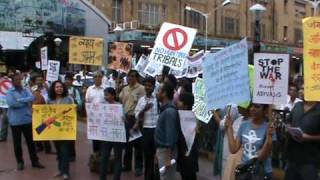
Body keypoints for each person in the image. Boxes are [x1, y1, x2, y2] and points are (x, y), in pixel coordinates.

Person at [6, 73, 45, 170]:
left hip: (27, 120)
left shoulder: (26, 89)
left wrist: (19, 100)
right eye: (16, 80)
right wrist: (25, 102)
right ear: (13, 81)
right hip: (15, 122)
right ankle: (20, 162)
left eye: (20, 80)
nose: (19, 82)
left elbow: (32, 98)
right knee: (17, 143)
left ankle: (35, 161)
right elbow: (12, 104)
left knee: (31, 142)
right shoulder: (10, 92)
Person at [226, 104, 275, 179]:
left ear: (265, 110)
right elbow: (233, 149)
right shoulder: (244, 125)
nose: (252, 109)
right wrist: (229, 127)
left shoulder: (269, 129)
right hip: (245, 172)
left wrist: (269, 139)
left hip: (261, 174)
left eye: (257, 107)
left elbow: (261, 157)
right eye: (251, 106)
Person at [284, 101, 320, 180]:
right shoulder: (298, 105)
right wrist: (289, 129)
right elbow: (288, 121)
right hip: (291, 157)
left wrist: (308, 137)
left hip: (309, 160)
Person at [47, 80, 74, 180]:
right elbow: (46, 113)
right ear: (53, 89)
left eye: (61, 87)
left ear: (64, 88)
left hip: (65, 129)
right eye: (57, 87)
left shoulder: (68, 99)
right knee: (58, 151)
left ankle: (66, 172)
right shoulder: (50, 100)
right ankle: (60, 170)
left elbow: (73, 112)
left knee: (65, 151)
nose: (59, 89)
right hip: (54, 129)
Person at [120, 70, 145, 176]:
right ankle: (127, 165)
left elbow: (143, 103)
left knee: (137, 143)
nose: (130, 78)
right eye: (129, 76)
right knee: (127, 143)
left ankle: (139, 167)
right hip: (126, 119)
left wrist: (139, 120)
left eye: (132, 76)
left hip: (136, 119)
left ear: (136, 78)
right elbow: (121, 100)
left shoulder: (141, 89)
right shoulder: (125, 88)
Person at [134, 76, 159, 180]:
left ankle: (157, 177)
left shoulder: (158, 99)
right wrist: (144, 110)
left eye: (150, 86)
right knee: (148, 156)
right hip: (146, 130)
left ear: (153, 87)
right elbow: (137, 115)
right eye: (146, 85)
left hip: (157, 130)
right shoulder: (141, 100)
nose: (148, 87)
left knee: (158, 156)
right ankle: (148, 177)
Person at [155, 82, 179, 180]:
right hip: (163, 150)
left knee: (167, 178)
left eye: (159, 91)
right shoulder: (165, 110)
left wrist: (168, 157)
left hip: (166, 151)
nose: (157, 93)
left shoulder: (169, 111)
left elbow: (170, 136)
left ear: (164, 93)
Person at [100, 87, 124, 180]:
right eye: (105, 95)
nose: (105, 97)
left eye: (107, 94)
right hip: (106, 136)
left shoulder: (119, 106)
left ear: (113, 95)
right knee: (104, 158)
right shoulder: (102, 106)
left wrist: (122, 118)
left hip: (117, 136)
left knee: (118, 158)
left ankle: (116, 178)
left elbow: (123, 119)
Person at [176, 92, 199, 180]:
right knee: (185, 174)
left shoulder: (193, 116)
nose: (177, 102)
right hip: (183, 151)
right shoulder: (180, 114)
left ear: (185, 105)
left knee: (189, 174)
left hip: (190, 151)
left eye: (180, 101)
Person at [85, 71, 106, 153]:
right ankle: (96, 157)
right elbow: (87, 102)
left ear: (102, 77)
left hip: (104, 118)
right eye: (95, 76)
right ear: (93, 78)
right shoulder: (89, 89)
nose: (97, 78)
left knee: (103, 139)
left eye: (99, 76)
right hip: (94, 119)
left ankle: (103, 156)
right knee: (95, 139)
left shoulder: (106, 88)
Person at [64, 75, 81, 161]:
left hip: (71, 116)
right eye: (66, 79)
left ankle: (72, 155)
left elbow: (80, 104)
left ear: (71, 81)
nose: (67, 81)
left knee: (71, 137)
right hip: (62, 116)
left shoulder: (75, 90)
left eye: (69, 80)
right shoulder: (61, 90)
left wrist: (74, 99)